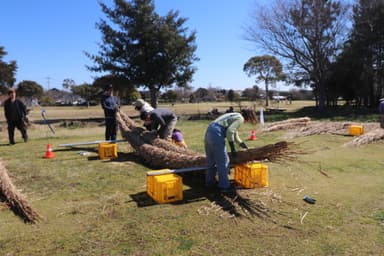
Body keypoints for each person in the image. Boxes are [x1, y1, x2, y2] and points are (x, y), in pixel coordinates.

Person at [204, 112, 248, 194]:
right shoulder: (240, 118)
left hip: (209, 131)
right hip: (216, 133)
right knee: (223, 161)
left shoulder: (234, 115)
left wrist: (241, 143)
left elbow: (234, 134)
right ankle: (224, 187)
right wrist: (232, 148)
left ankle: (210, 183)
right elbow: (230, 132)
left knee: (211, 160)